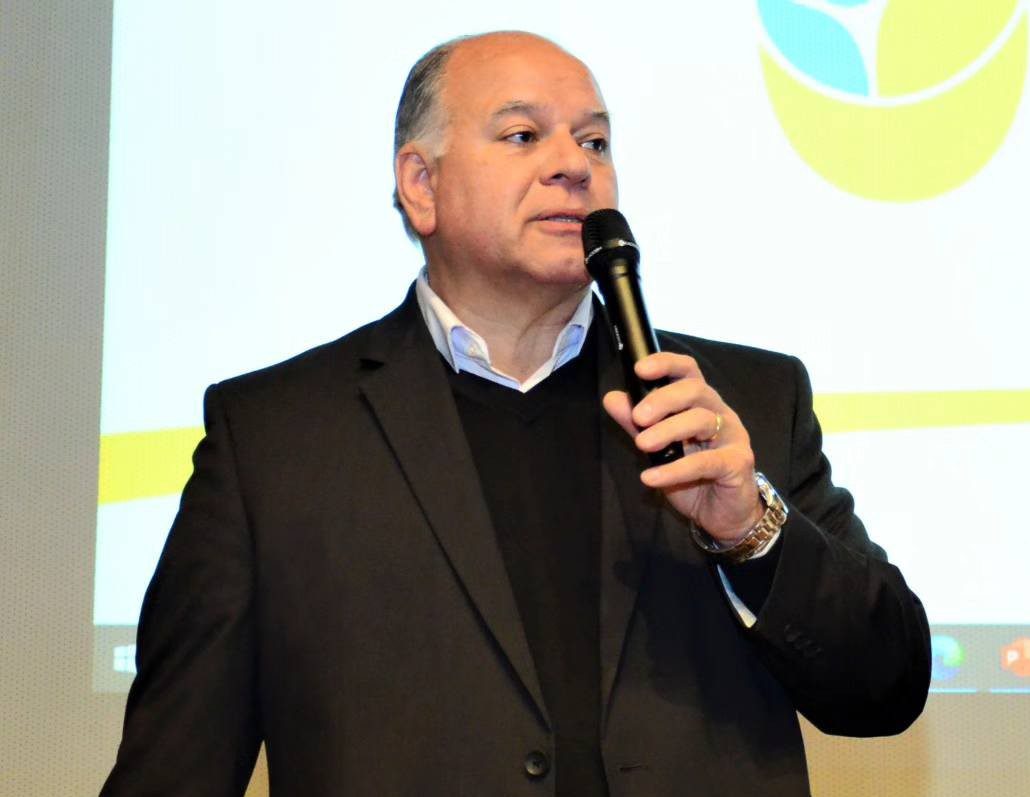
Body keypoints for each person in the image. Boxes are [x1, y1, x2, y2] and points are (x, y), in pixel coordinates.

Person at [101, 31, 930, 796]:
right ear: (421, 185)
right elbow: (173, 771)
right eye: (524, 135)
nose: (574, 166)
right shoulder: (275, 441)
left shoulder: (734, 409)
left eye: (595, 142)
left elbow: (886, 686)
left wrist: (751, 528)